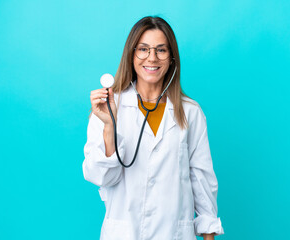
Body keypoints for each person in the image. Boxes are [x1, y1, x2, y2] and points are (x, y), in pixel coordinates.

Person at [83, 16, 224, 240]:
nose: (152, 58)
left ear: (172, 59)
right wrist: (109, 126)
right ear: (131, 55)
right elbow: (101, 177)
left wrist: (208, 235)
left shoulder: (191, 112)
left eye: (161, 50)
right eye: (143, 49)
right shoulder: (108, 107)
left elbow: (202, 180)